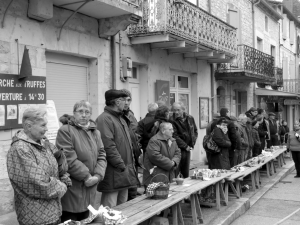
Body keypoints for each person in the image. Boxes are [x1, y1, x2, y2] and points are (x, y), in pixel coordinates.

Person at [7, 107, 67, 225]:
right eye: (43, 125)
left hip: (53, 212)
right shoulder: (20, 149)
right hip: (36, 218)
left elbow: (58, 165)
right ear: (29, 126)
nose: (46, 129)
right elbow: (38, 183)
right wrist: (62, 186)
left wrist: (64, 175)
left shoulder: (43, 142)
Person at [56, 101, 107, 222]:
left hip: (91, 186)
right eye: (80, 111)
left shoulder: (95, 132)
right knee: (71, 219)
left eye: (87, 112)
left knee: (86, 218)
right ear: (74, 113)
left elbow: (102, 154)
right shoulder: (65, 130)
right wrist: (86, 177)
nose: (84, 115)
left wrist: (98, 176)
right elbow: (68, 158)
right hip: (74, 187)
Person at [96, 89, 139, 207]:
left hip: (124, 171)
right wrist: (121, 165)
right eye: (123, 100)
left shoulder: (121, 118)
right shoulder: (104, 119)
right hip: (115, 172)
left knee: (123, 208)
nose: (126, 103)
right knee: (110, 210)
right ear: (116, 102)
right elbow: (108, 146)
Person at [120, 89, 142, 201]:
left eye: (128, 100)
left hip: (134, 154)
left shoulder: (130, 114)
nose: (126, 102)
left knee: (133, 188)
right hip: (123, 158)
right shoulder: (116, 116)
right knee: (124, 194)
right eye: (123, 100)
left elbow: (135, 131)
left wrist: (137, 141)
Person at [170, 102, 198, 178]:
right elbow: (174, 135)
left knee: (185, 171)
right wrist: (185, 146)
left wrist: (193, 142)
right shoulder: (171, 120)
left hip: (187, 148)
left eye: (178, 110)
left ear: (183, 109)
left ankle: (186, 188)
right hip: (177, 148)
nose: (176, 112)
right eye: (174, 110)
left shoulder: (190, 118)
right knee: (176, 170)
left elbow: (195, 131)